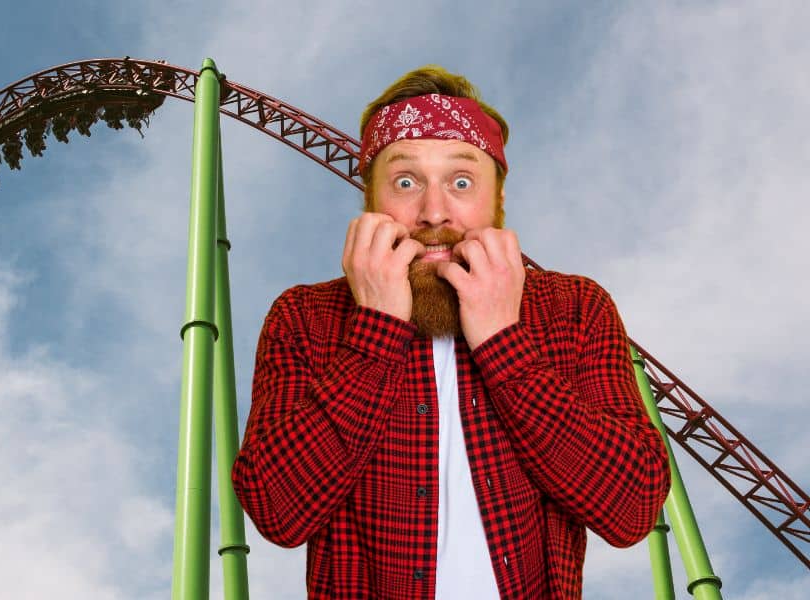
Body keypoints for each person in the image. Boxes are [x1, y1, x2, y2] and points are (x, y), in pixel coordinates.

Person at [230, 66, 671, 599]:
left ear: (497, 202)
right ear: (371, 202)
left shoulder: (573, 308)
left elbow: (632, 509)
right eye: (405, 182)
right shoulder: (305, 317)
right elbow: (278, 511)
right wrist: (374, 330)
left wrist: (504, 345)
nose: (434, 211)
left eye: (461, 183)